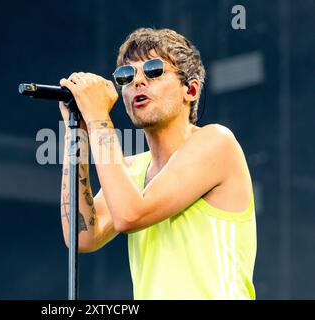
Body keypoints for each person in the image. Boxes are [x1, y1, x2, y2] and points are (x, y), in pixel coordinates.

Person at [58, 27, 256, 300]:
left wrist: (98, 118)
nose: (137, 81)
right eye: (126, 76)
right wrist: (76, 130)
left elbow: (129, 214)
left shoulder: (217, 142)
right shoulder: (133, 170)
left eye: (153, 70)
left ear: (191, 89)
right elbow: (81, 235)